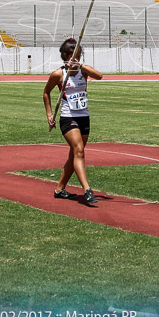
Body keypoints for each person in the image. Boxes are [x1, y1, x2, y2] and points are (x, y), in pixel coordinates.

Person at [43, 38, 103, 205]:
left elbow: (99, 76)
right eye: (72, 56)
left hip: (84, 116)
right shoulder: (58, 74)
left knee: (74, 155)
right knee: (79, 150)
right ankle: (87, 190)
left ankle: (59, 189)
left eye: (77, 55)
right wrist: (49, 114)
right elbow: (46, 93)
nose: (75, 59)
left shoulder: (84, 71)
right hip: (68, 117)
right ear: (65, 56)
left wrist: (81, 66)